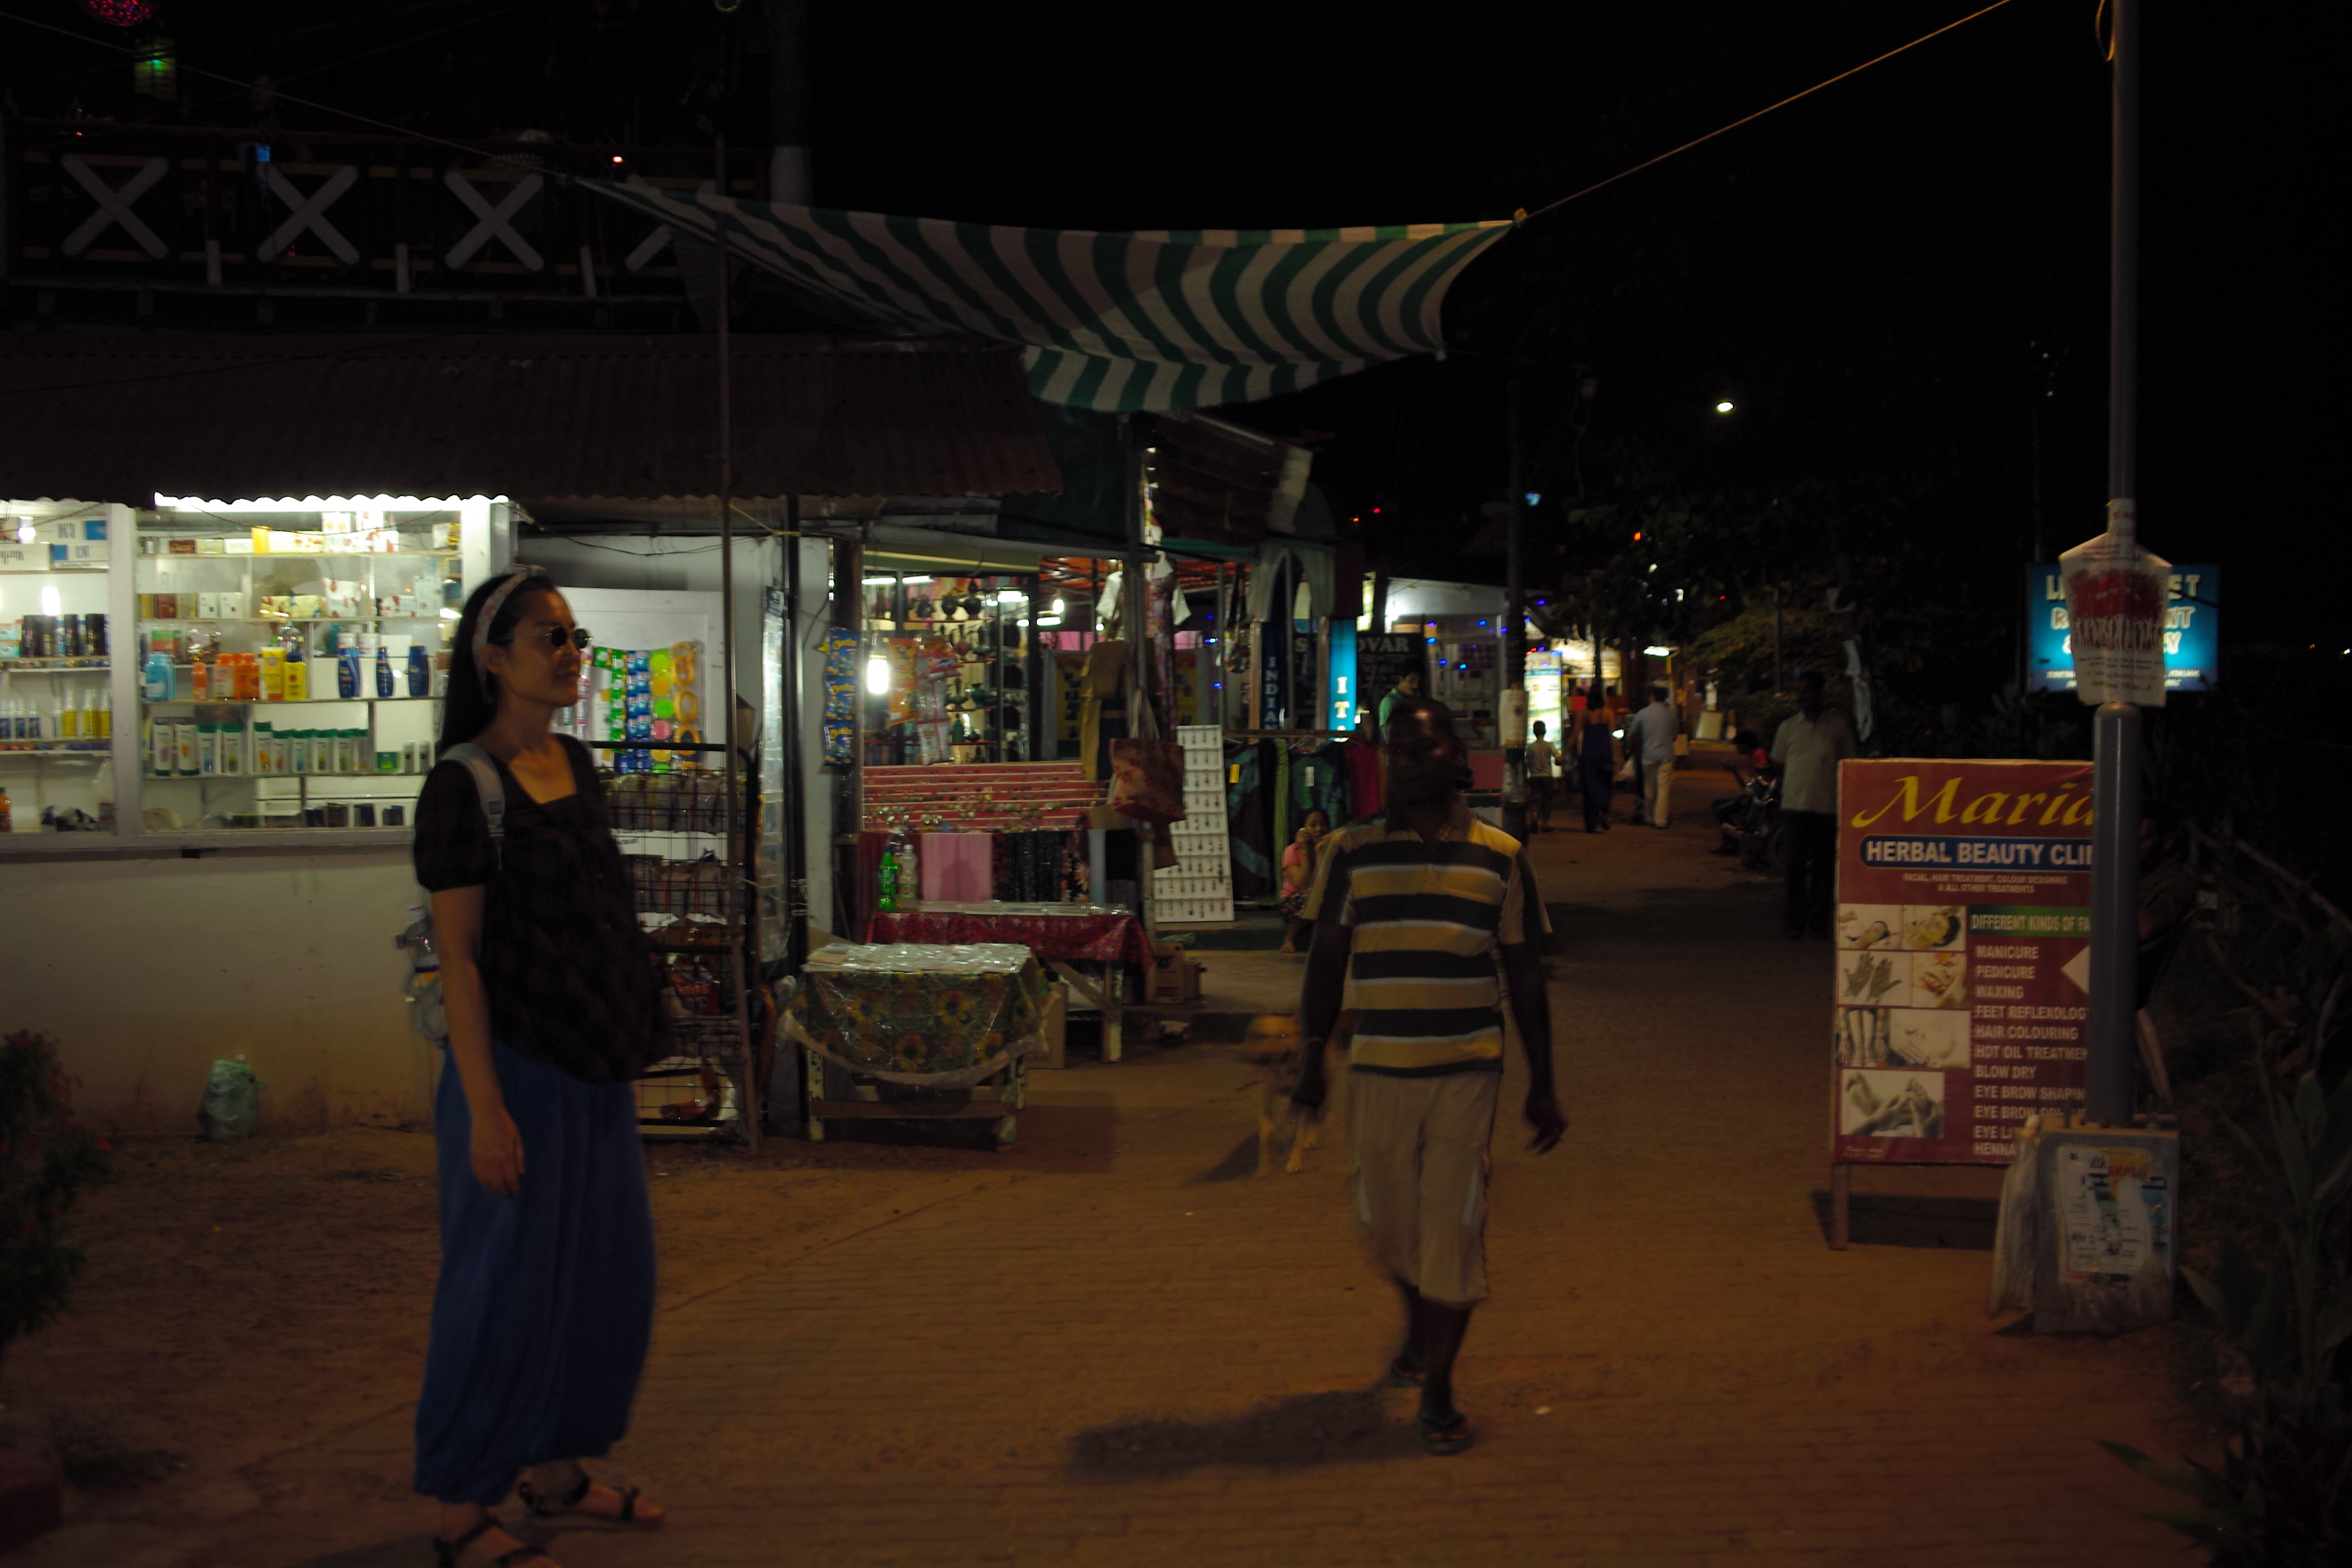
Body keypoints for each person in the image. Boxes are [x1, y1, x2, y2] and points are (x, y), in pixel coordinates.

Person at [413, 568, 670, 1568]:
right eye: (546, 638)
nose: (568, 654)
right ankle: (460, 1512)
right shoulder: (465, 785)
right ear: (492, 657)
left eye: (574, 636)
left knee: (604, 1282)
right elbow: (460, 960)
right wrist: (485, 1109)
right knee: (503, 1289)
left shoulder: (575, 762)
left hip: (594, 1068)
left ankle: (555, 1472)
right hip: (515, 1070)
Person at [1291, 698, 1565, 1458]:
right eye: (1397, 749)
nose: (1408, 761)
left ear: (1459, 757)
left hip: (1466, 1072)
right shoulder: (1348, 851)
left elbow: (1526, 975)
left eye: (1424, 747)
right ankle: (1420, 1324)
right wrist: (1311, 1056)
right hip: (1379, 1067)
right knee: (1389, 1228)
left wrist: (1543, 1082)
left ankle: (1439, 1386)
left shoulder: (1502, 856)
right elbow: (1325, 962)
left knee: (1455, 1227)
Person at [1770, 672, 1858, 939]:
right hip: (1794, 806)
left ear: (1821, 693)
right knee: (1794, 867)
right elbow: (1779, 762)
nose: (1803, 696)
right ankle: (1794, 922)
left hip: (1826, 807)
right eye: (1800, 691)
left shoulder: (1837, 727)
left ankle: (1819, 922)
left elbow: (1850, 763)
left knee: (1824, 867)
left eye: (1808, 690)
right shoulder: (1788, 727)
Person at [1277, 807, 1332, 953]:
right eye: (1313, 825)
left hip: (1322, 896)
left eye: (1323, 824)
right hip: (1296, 900)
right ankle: (1290, 938)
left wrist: (1321, 853)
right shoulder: (1292, 851)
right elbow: (1303, 885)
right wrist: (1305, 851)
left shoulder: (1332, 849)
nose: (1319, 829)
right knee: (1308, 896)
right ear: (1303, 830)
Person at [1625, 684, 1679, 829]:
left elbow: (1632, 734)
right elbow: (1675, 736)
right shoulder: (1671, 713)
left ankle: (1649, 817)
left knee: (1649, 788)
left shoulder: (1642, 713)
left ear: (1652, 697)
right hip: (1666, 755)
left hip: (1648, 754)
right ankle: (1660, 820)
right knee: (1663, 789)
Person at [1574, 689, 1616, 833]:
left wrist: (1564, 754)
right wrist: (1618, 755)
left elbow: (1575, 736)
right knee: (1605, 784)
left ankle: (1591, 823)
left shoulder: (1583, 714)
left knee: (1589, 788)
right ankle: (1603, 810)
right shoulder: (1608, 713)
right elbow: (1613, 736)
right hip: (1605, 753)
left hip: (1588, 754)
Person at [1523, 720, 1559, 833]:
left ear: (1534, 732)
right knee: (1546, 800)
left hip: (1534, 776)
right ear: (1545, 731)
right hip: (1547, 776)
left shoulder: (1530, 747)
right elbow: (1558, 758)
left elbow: (1527, 762)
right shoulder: (1549, 745)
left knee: (1535, 799)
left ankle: (1534, 817)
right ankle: (1544, 824)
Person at [1376, 667, 1425, 731]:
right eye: (1412, 680)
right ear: (1401, 679)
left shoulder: (1414, 700)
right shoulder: (1390, 702)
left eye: (1419, 682)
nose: (1416, 686)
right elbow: (1386, 732)